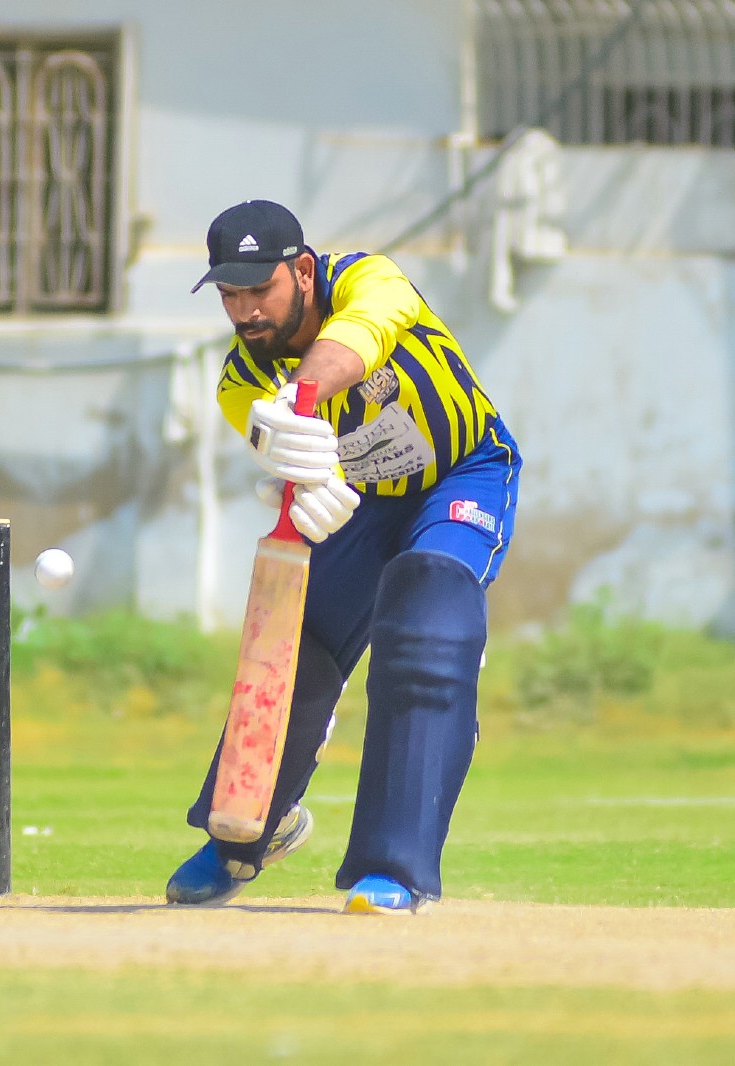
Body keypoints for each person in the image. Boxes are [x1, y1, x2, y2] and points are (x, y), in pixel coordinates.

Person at [167, 200, 522, 914]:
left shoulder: (369, 279)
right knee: (294, 651)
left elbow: (360, 337)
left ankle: (396, 867)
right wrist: (307, 480)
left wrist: (296, 400)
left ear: (302, 271)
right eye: (229, 294)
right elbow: (291, 460)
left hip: (461, 474)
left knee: (425, 621)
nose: (245, 311)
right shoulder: (241, 382)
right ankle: (242, 836)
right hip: (361, 502)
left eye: (259, 288)